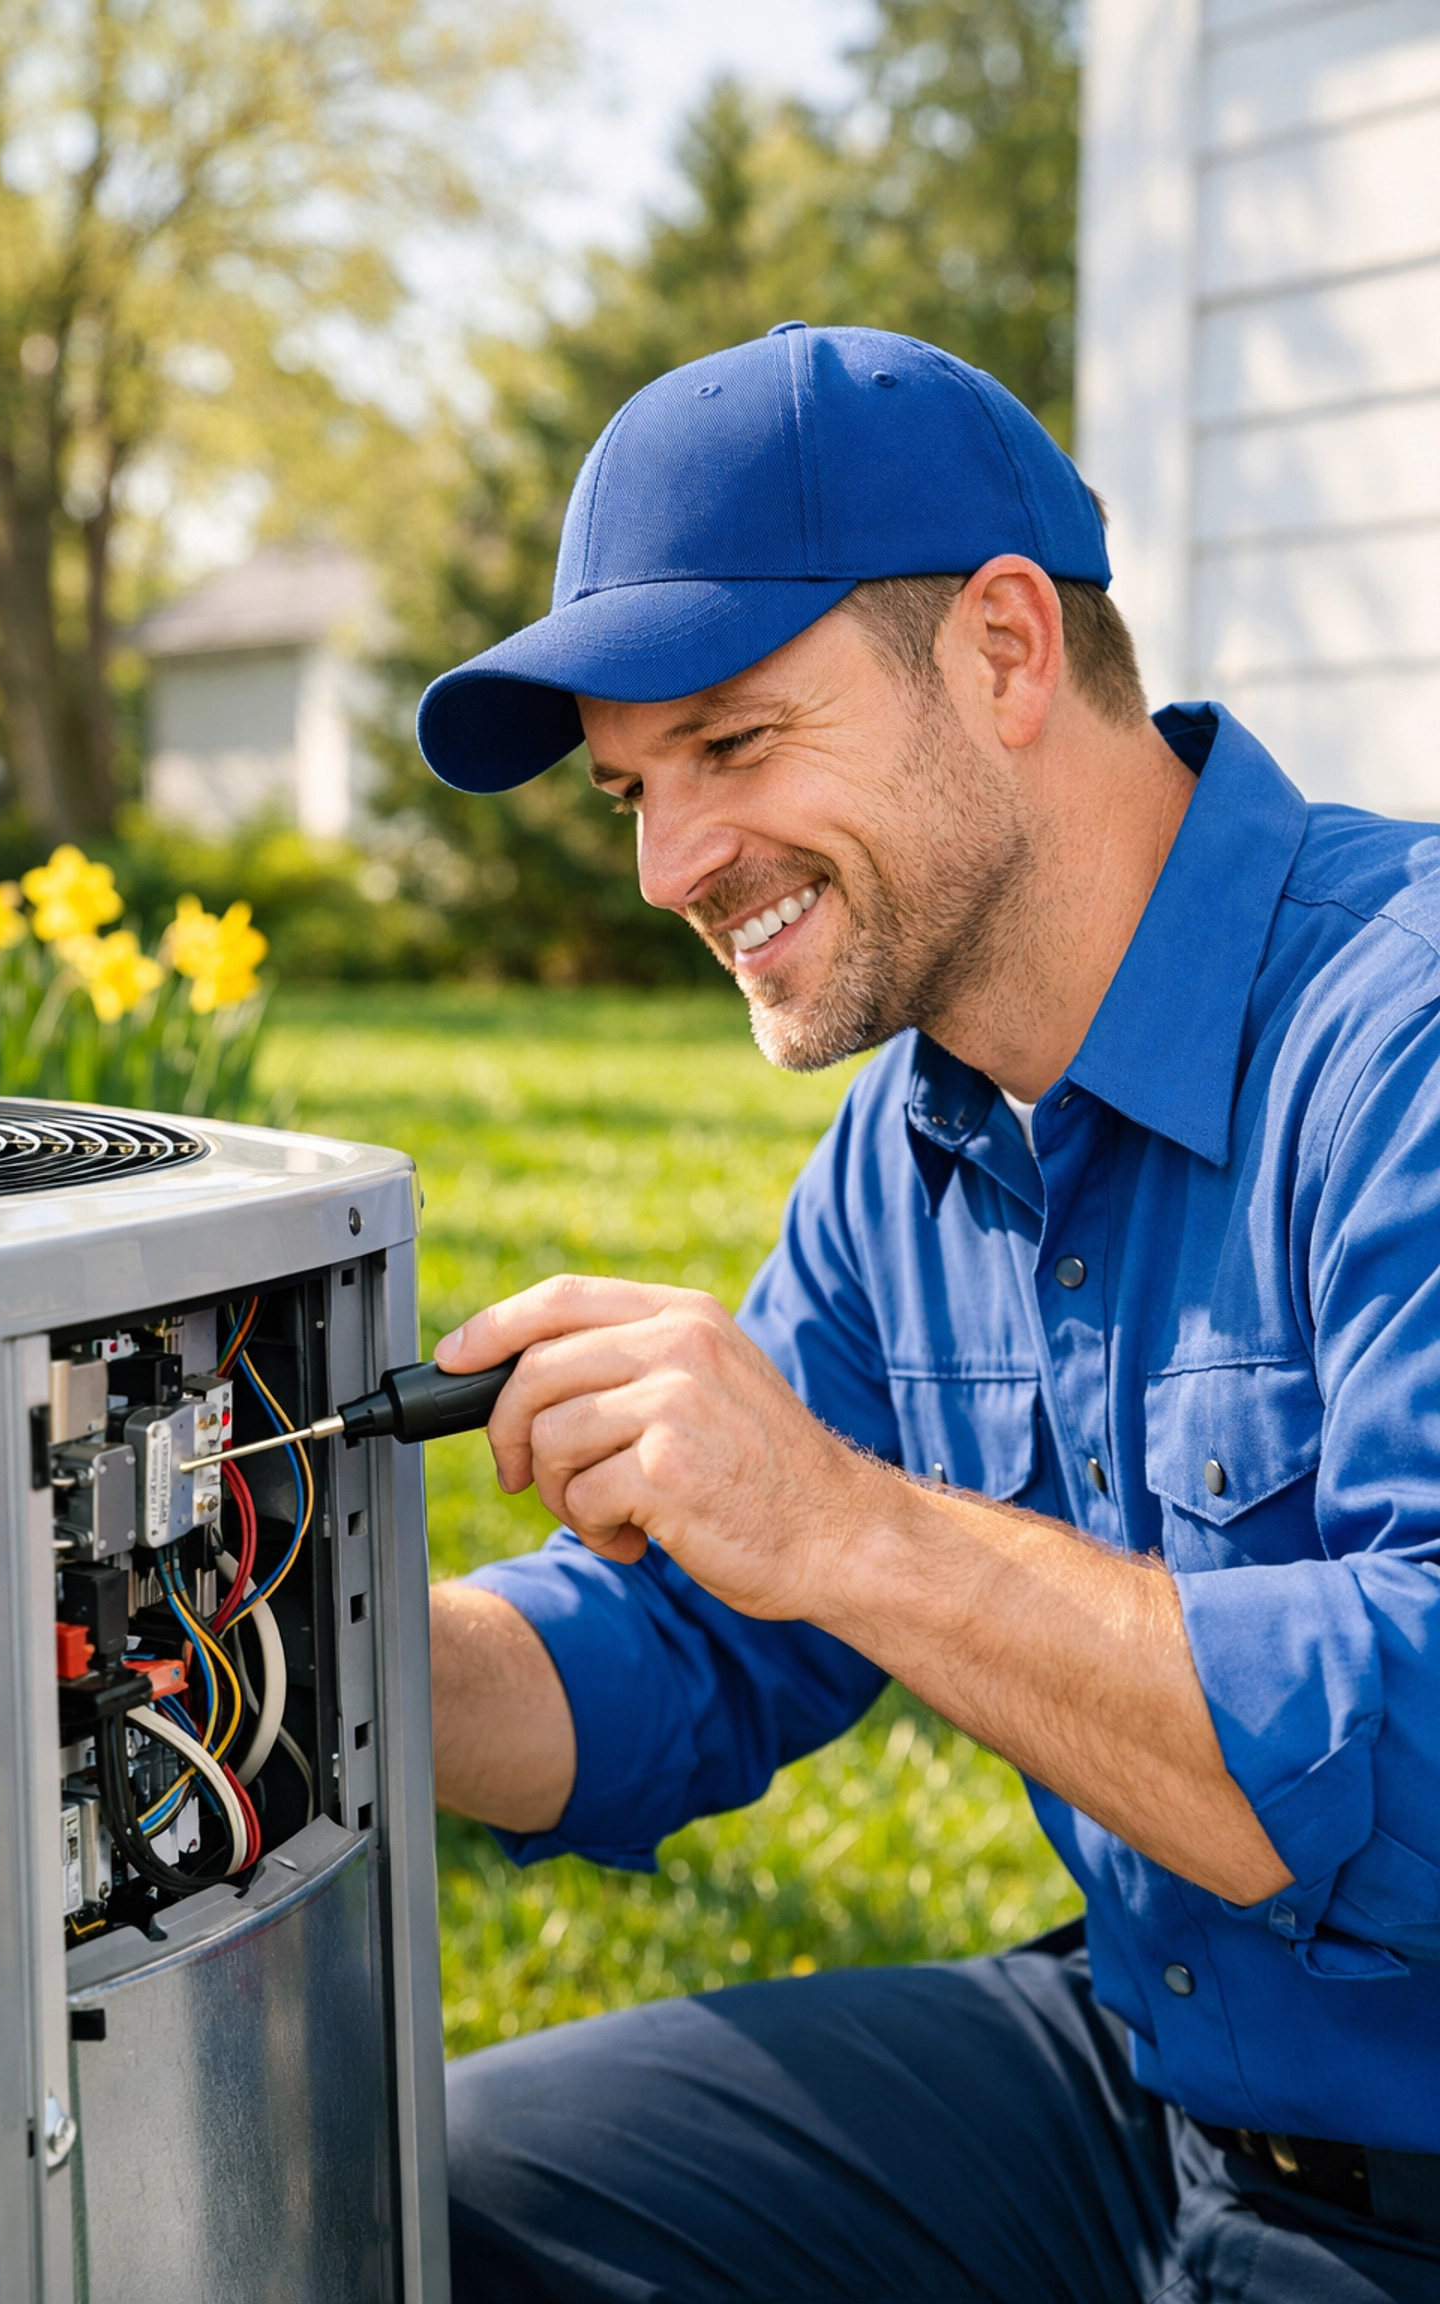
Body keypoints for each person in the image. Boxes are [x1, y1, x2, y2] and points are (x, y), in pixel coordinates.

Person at [415, 325, 1440, 2303]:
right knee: (430, 2197)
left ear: (1003, 652)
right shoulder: (920, 1148)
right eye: (633, 791)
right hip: (1145, 2088)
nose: (671, 865)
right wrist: (298, 1665)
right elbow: (696, 1639)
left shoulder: (1399, 1036)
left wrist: (844, 1524)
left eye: (730, 746)